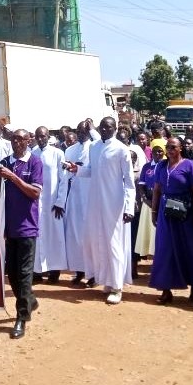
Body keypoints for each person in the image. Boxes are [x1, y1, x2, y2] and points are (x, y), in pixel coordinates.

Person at [66, 117, 135, 304]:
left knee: (113, 243)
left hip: (114, 203)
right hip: (95, 202)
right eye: (102, 127)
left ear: (115, 128)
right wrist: (77, 169)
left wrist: (129, 207)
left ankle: (118, 287)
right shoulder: (94, 147)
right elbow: (90, 170)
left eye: (109, 127)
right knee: (97, 241)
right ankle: (107, 280)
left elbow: (129, 182)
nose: (105, 129)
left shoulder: (121, 149)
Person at [0, 129, 43, 339]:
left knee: (24, 275)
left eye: (21, 139)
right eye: (14, 139)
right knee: (12, 274)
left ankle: (21, 317)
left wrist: (13, 178)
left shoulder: (34, 162)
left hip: (27, 226)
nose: (16, 142)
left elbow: (34, 192)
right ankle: (30, 301)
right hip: (9, 227)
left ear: (28, 141)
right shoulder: (5, 161)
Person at [149, 137, 193, 305]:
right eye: (168, 147)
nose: (169, 150)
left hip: (185, 212)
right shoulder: (161, 166)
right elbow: (157, 190)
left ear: (180, 148)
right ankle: (166, 290)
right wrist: (154, 210)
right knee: (165, 250)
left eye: (173, 147)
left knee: (188, 248)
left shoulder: (190, 166)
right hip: (166, 211)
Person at [56, 121, 92, 287]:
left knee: (90, 237)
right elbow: (64, 178)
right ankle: (79, 271)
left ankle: (93, 274)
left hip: (91, 197)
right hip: (75, 197)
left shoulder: (95, 147)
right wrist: (61, 201)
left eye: (85, 130)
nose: (82, 133)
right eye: (79, 130)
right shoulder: (70, 150)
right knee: (75, 237)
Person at [31, 127, 67, 283]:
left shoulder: (58, 153)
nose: (40, 139)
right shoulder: (33, 153)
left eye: (43, 136)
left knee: (54, 235)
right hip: (36, 201)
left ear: (48, 136)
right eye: (38, 136)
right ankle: (37, 271)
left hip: (53, 203)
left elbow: (63, 179)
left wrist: (60, 201)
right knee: (38, 235)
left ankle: (54, 270)